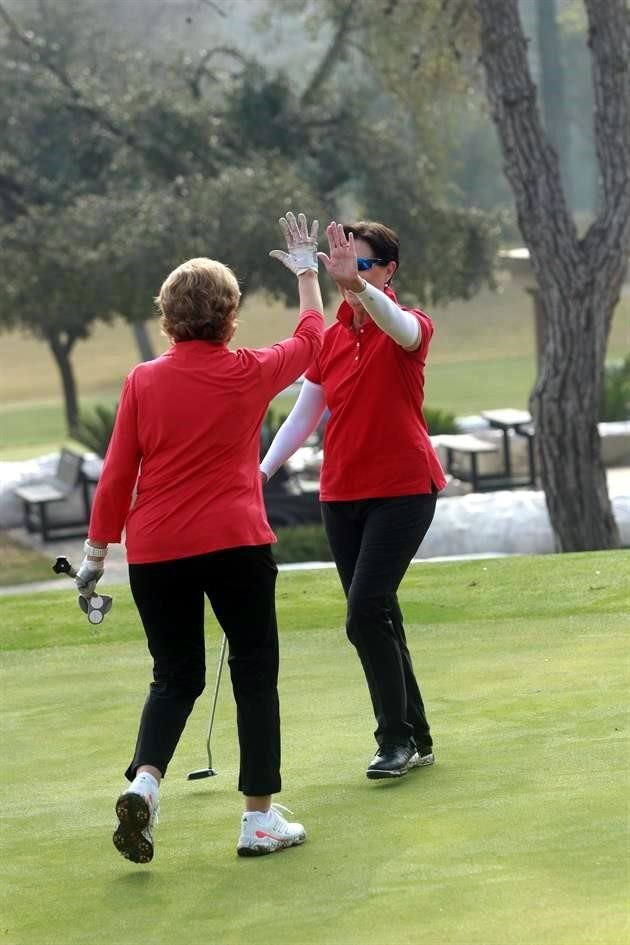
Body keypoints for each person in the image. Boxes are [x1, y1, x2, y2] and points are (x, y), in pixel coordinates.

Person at [74, 211, 327, 862]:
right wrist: (306, 273)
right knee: (253, 673)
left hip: (156, 550)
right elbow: (312, 340)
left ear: (167, 317)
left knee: (175, 674)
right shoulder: (247, 370)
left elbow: (116, 475)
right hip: (235, 542)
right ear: (229, 313)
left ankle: (147, 785)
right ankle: (258, 818)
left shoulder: (143, 380)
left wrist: (95, 553)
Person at [261, 220, 447, 780]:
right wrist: (260, 471)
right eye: (343, 262)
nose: (349, 272)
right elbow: (305, 414)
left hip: (405, 490)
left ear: (388, 270)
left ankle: (392, 739)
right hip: (341, 495)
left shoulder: (408, 326)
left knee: (363, 613)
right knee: (381, 613)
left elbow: (403, 328)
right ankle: (417, 735)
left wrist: (359, 287)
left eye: (363, 263)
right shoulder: (332, 337)